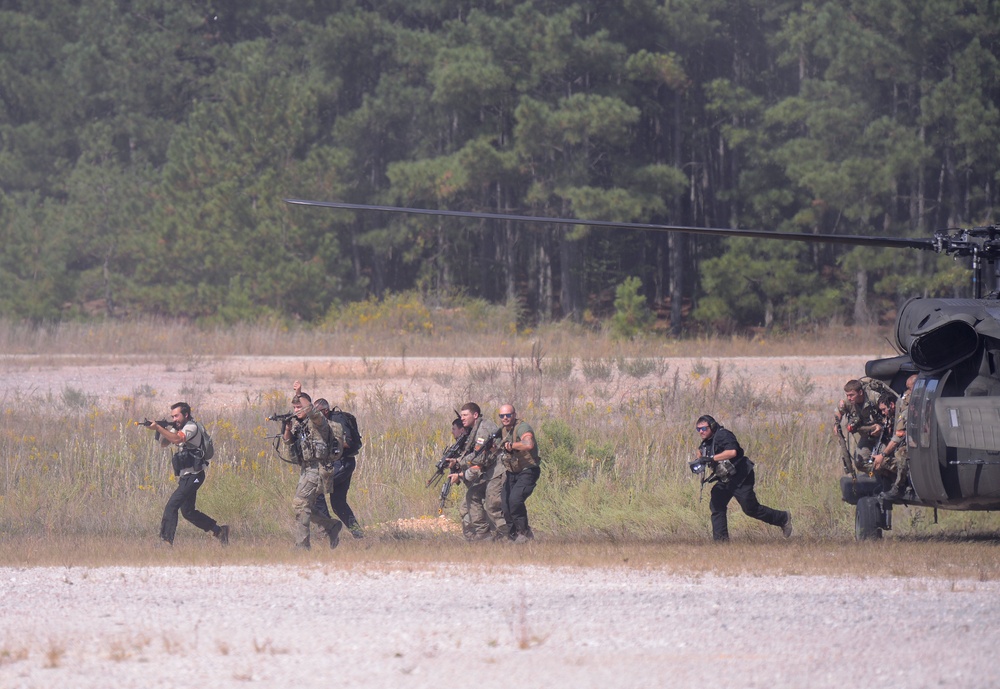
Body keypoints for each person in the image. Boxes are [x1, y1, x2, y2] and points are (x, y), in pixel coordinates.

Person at [695, 415, 792, 542]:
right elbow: (702, 455)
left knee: (750, 509)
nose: (701, 432)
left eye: (703, 428)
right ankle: (721, 542)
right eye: (698, 429)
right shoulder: (706, 442)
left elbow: (732, 452)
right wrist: (698, 460)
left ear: (712, 426)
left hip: (741, 476)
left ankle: (783, 518)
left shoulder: (723, 435)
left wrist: (711, 458)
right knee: (716, 504)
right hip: (725, 478)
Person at [146, 402, 228, 547]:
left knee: (171, 506)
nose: (174, 418)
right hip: (186, 476)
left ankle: (166, 542)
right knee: (188, 512)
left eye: (176, 416)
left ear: (186, 415)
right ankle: (219, 531)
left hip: (195, 475)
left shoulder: (191, 427)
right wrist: (165, 428)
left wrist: (158, 427)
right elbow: (165, 443)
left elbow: (178, 439)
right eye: (172, 416)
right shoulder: (178, 428)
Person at [282, 382, 344, 550]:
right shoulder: (300, 427)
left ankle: (302, 546)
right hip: (306, 470)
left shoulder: (319, 423)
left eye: (299, 407)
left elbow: (311, 411)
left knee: (300, 504)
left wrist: (299, 393)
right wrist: (287, 430)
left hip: (318, 470)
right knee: (303, 507)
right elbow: (290, 451)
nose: (296, 410)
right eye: (294, 407)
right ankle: (331, 526)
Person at [448, 402, 503, 541]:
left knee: (492, 505)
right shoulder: (475, 429)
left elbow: (480, 457)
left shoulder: (483, 428)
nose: (462, 418)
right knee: (473, 495)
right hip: (489, 470)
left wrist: (460, 464)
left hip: (498, 469)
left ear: (475, 415)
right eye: (461, 416)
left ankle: (507, 535)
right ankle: (485, 534)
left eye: (465, 415)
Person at [312, 397, 363, 538]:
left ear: (326, 411)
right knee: (338, 504)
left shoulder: (337, 420)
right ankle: (359, 535)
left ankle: (328, 529)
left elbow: (347, 442)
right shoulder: (322, 422)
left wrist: (328, 445)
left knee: (316, 489)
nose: (315, 415)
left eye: (318, 412)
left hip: (343, 463)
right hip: (338, 463)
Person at [496, 404, 541, 543]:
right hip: (512, 472)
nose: (505, 418)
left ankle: (524, 533)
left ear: (514, 415)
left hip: (528, 470)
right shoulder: (502, 431)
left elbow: (528, 443)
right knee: (505, 503)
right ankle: (513, 535)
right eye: (502, 416)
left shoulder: (522, 427)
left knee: (515, 500)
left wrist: (511, 446)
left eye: (508, 415)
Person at [834, 379, 884, 472]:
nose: (849, 398)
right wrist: (836, 424)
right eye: (847, 395)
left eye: (852, 395)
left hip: (883, 434)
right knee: (860, 462)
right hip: (867, 435)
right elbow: (838, 410)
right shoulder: (847, 402)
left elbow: (888, 413)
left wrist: (880, 426)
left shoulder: (874, 397)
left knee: (883, 459)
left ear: (860, 392)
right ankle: (879, 475)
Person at [873, 392, 909, 501]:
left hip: (908, 448)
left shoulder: (903, 413)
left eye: (884, 409)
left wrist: (883, 455)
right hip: (899, 446)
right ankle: (891, 483)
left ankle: (899, 486)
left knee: (899, 455)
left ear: (892, 405)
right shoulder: (890, 417)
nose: (883, 413)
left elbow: (897, 438)